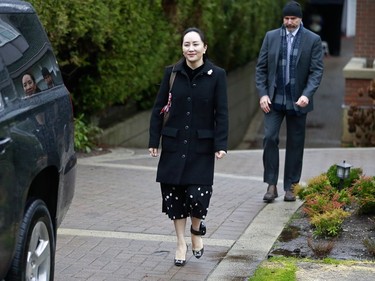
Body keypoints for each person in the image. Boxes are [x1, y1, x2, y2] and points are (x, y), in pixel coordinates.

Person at [148, 27, 228, 266]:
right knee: (174, 197)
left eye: (195, 44)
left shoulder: (217, 75)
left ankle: (196, 231)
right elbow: (158, 108)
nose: (190, 49)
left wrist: (220, 143)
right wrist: (154, 140)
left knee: (197, 196)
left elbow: (221, 113)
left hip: (201, 146)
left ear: (204, 47)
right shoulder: (171, 73)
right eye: (186, 44)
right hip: (173, 144)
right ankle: (181, 242)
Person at [255, 1, 323, 203]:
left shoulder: (313, 40)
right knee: (269, 138)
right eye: (286, 18)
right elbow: (261, 69)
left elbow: (316, 71)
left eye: (293, 18)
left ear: (300, 19)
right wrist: (263, 94)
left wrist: (307, 94)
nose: (289, 22)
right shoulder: (271, 37)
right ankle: (271, 185)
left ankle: (291, 186)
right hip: (274, 99)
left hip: (298, 100)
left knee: (295, 144)